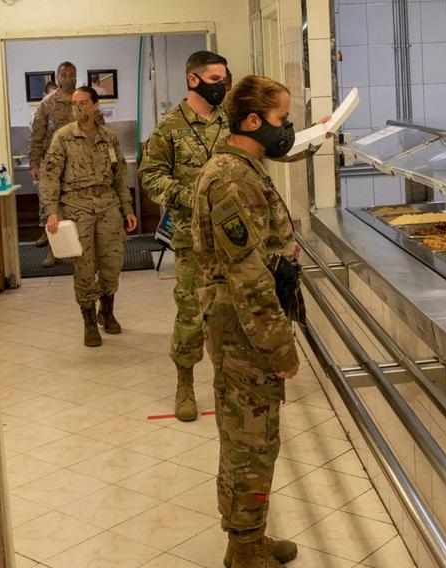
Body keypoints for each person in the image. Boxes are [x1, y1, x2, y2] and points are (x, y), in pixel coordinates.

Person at [191, 75, 300, 568]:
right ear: (253, 121)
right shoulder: (231, 179)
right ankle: (243, 551)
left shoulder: (244, 166)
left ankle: (250, 539)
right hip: (244, 330)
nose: (286, 130)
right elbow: (247, 274)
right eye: (281, 120)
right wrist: (279, 346)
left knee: (256, 440)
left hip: (246, 326)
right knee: (249, 445)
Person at [140, 50, 230, 421]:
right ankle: (185, 384)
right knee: (192, 313)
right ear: (192, 80)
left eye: (225, 80)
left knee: (230, 312)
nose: (222, 87)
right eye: (214, 80)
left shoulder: (233, 122)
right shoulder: (169, 127)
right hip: (192, 238)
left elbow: (264, 151)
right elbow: (151, 177)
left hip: (232, 237)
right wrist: (189, 196)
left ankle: (228, 383)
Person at [40, 86, 137, 347]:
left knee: (111, 263)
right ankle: (88, 320)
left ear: (95, 106)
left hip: (108, 205)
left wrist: (127, 208)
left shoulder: (109, 138)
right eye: (74, 103)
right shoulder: (63, 138)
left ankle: (106, 311)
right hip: (76, 206)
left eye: (83, 102)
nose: (78, 107)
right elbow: (50, 177)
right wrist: (52, 211)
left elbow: (119, 177)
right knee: (84, 266)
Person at [30, 62, 79, 267]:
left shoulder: (82, 100)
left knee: (79, 207)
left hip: (80, 164)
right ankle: (54, 251)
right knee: (53, 208)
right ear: (58, 78)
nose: (68, 78)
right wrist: (34, 162)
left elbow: (98, 128)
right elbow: (37, 134)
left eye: (72, 74)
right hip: (53, 165)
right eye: (64, 74)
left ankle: (79, 251)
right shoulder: (48, 103)